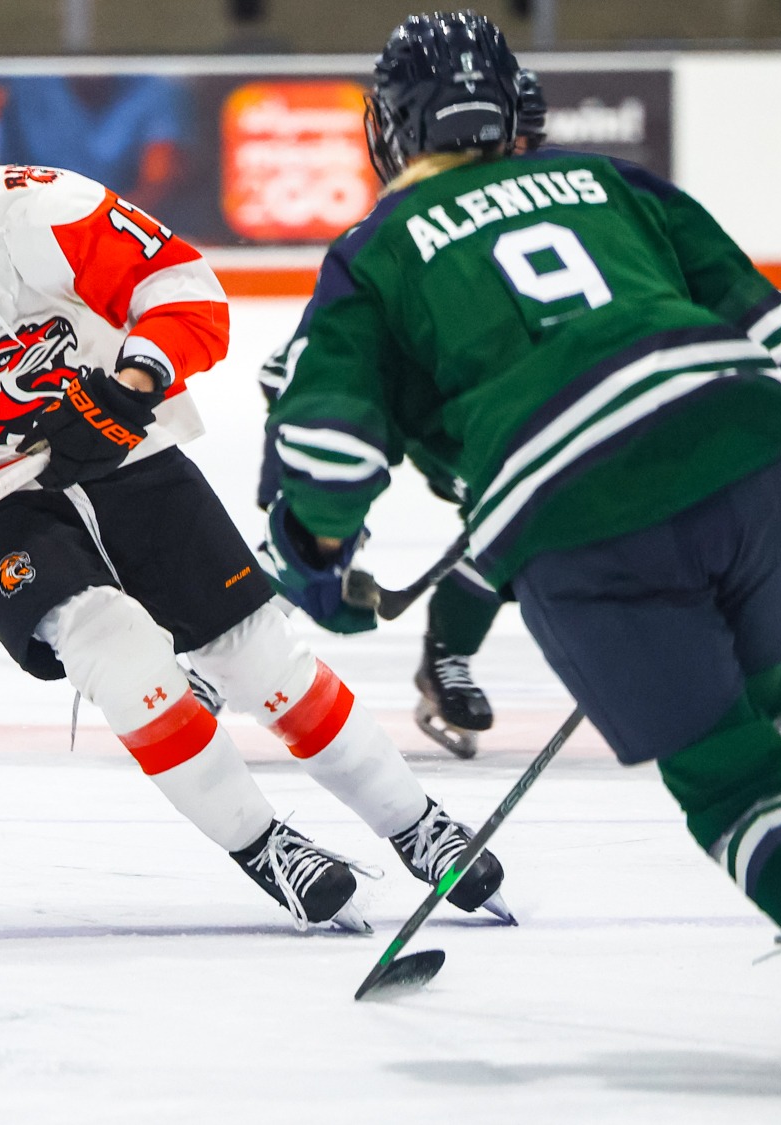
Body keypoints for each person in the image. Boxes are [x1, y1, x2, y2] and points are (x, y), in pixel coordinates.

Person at [262, 11, 781, 1077]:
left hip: (589, 530)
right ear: (515, 110)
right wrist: (691, 451)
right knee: (771, 697)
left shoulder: (374, 252)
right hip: (756, 467)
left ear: (391, 127)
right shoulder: (616, 185)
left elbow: (325, 460)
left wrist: (315, 568)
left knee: (727, 775)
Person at [0, 55, 512, 933]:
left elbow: (183, 290)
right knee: (115, 652)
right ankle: (266, 845)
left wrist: (132, 380)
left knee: (254, 654)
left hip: (117, 445)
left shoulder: (43, 210)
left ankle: (417, 826)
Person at [253, 69, 552, 759]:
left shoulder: (555, 212)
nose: (511, 161)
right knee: (310, 534)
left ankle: (447, 654)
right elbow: (309, 365)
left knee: (519, 528)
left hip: (484, 427)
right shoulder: (404, 230)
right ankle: (230, 642)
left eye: (525, 144)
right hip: (417, 408)